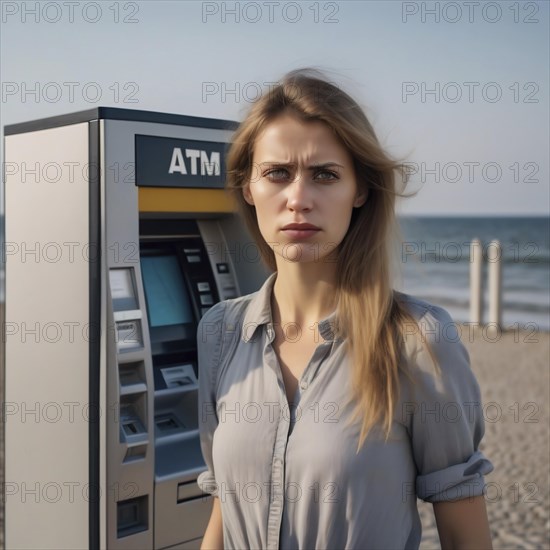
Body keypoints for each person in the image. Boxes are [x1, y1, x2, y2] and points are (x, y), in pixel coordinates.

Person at [196, 68, 494, 550]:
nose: (298, 199)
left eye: (324, 175)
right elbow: (224, 510)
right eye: (277, 173)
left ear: (359, 191)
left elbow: (467, 536)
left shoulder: (419, 340)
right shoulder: (220, 331)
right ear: (248, 188)